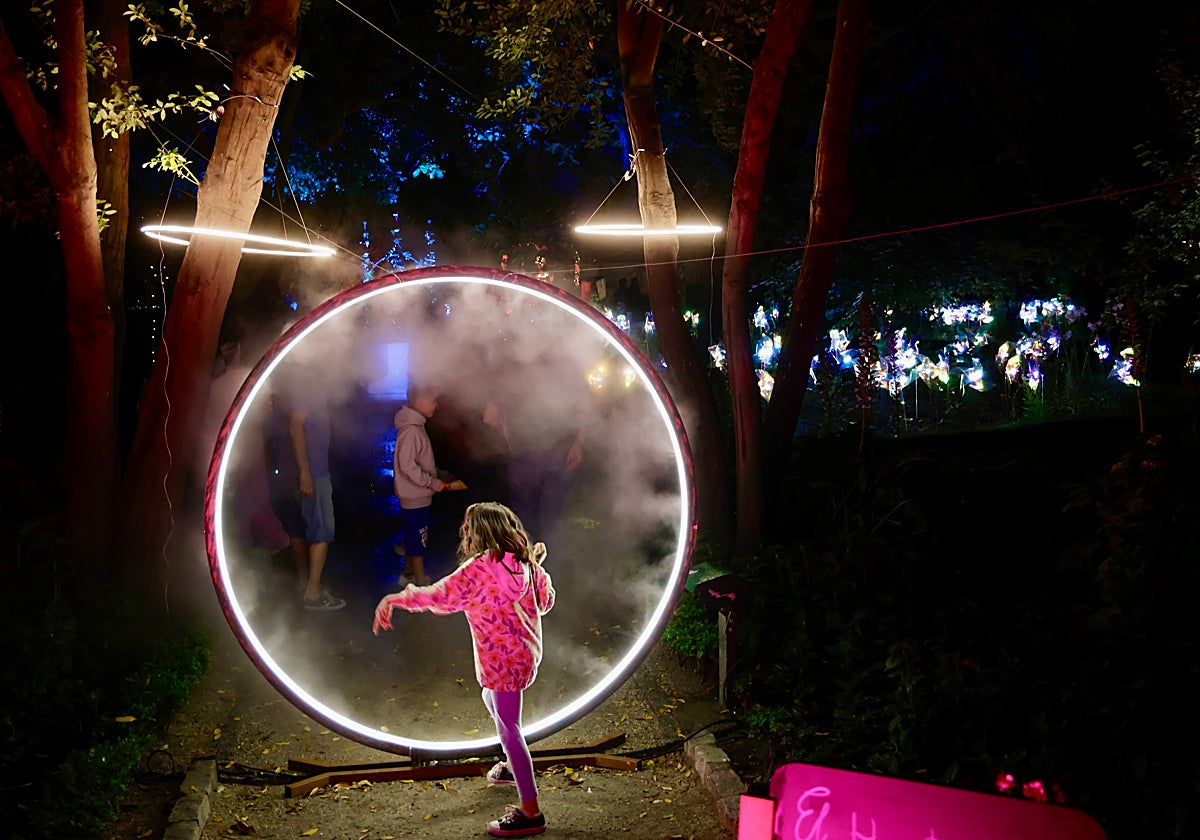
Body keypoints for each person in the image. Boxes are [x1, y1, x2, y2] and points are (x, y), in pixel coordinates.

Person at [373, 502, 555, 837]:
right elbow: (545, 603)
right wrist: (539, 571)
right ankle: (515, 766)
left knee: (508, 728)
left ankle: (531, 812)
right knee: (494, 704)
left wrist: (395, 599)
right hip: (524, 658)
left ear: (477, 534)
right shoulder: (527, 564)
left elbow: (439, 597)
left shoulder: (480, 570)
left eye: (468, 530)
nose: (465, 535)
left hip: (500, 664)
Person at [288, 382, 346, 611]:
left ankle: (306, 584)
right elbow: (294, 426)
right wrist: (305, 472)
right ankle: (312, 594)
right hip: (314, 474)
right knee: (323, 530)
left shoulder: (315, 389)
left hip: (312, 472)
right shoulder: (310, 388)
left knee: (305, 528)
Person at [392, 382, 448, 587]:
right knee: (418, 541)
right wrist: (432, 483)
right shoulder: (412, 431)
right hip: (416, 497)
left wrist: (436, 476)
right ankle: (420, 584)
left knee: (412, 535)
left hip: (416, 495)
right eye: (433, 401)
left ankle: (407, 574)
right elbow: (408, 466)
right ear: (421, 402)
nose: (436, 405)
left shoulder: (415, 428)